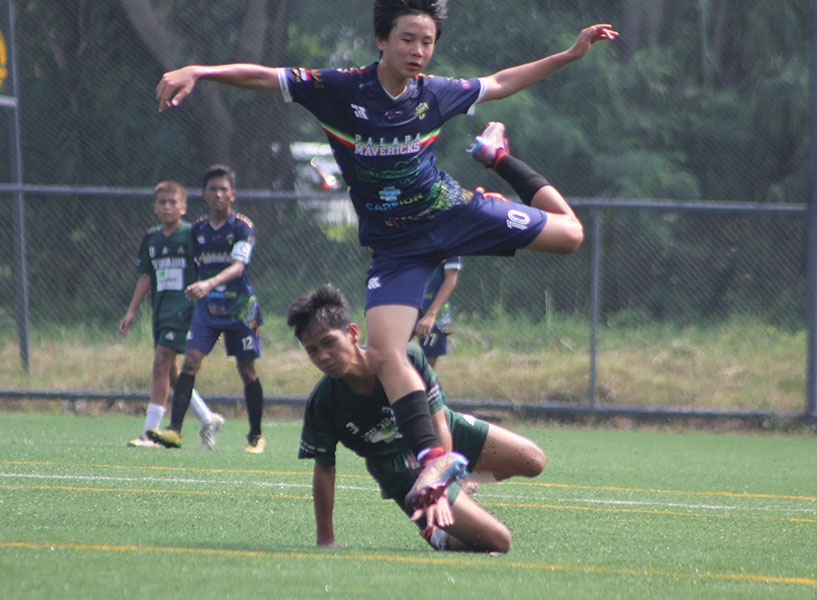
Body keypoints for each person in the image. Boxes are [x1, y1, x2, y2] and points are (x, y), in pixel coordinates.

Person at [155, 0, 616, 510]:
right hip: (397, 247)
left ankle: (497, 157)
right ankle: (434, 458)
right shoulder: (339, 90)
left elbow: (501, 82)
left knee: (571, 236)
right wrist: (200, 71)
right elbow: (264, 76)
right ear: (381, 40)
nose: (418, 50)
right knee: (384, 352)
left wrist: (570, 54)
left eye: (427, 41)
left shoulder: (435, 93)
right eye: (407, 39)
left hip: (452, 214)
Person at [288, 284, 545, 552]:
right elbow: (324, 468)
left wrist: (443, 480)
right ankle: (435, 532)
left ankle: (460, 482)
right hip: (399, 466)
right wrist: (325, 538)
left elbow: (438, 421)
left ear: (353, 333)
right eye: (312, 350)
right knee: (499, 541)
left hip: (443, 432)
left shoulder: (405, 357)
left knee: (533, 460)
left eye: (329, 342)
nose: (323, 356)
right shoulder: (323, 403)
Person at [147, 165, 267, 453]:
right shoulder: (198, 229)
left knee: (247, 370)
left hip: (242, 306)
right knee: (190, 362)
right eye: (213, 189)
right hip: (207, 306)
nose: (218, 194)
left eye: (224, 189)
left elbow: (238, 267)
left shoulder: (242, 226)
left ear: (233, 194)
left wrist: (209, 283)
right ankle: (175, 431)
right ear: (203, 193)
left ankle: (256, 436)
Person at [119, 181, 225, 449]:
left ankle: (150, 433)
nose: (167, 207)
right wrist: (131, 311)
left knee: (161, 362)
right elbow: (146, 276)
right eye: (162, 202)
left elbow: (209, 272)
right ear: (155, 207)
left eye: (173, 202)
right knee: (172, 373)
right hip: (162, 311)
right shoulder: (151, 238)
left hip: (186, 309)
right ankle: (208, 418)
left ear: (184, 207)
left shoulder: (192, 235)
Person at [414, 257, 460, 369]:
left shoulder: (450, 245)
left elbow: (451, 278)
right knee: (391, 352)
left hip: (433, 307)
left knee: (429, 360)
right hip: (406, 304)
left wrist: (431, 314)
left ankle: (425, 381)